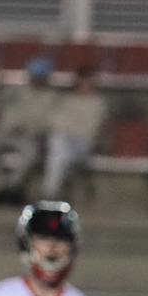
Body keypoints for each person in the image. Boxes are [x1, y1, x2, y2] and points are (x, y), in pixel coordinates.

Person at [0, 57, 57, 207]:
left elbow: (49, 122)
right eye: (34, 76)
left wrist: (29, 128)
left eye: (40, 77)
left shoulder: (52, 97)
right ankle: (2, 185)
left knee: (32, 153)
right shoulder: (16, 90)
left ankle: (12, 186)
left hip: (27, 135)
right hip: (3, 132)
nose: (36, 80)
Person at [42, 65, 108, 201]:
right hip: (64, 140)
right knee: (59, 147)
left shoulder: (98, 103)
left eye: (89, 81)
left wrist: (69, 126)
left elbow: (89, 128)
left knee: (59, 150)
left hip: (84, 143)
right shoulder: (67, 100)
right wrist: (70, 126)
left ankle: (49, 192)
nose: (86, 85)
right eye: (83, 81)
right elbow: (53, 121)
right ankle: (51, 192)